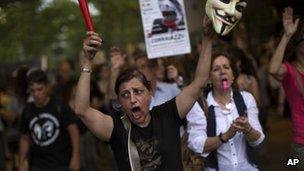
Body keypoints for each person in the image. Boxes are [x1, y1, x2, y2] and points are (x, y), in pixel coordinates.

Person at [75, 27, 212, 170]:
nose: (132, 99)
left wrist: (207, 38)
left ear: (149, 95)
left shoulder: (167, 114)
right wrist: (88, 61)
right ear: (120, 102)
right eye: (125, 95)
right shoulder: (117, 129)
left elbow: (200, 82)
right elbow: (81, 110)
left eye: (138, 92)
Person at [187, 16, 265, 171]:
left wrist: (247, 128)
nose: (222, 71)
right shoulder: (200, 105)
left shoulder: (246, 99)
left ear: (233, 75)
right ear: (209, 79)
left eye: (226, 67)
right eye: (216, 69)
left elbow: (258, 140)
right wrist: (225, 136)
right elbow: (196, 144)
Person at [18, 69, 80, 171]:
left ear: (46, 87)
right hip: (37, 164)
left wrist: (76, 156)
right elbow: (25, 138)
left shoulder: (59, 105)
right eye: (32, 90)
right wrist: (21, 163)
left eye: (39, 89)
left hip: (61, 163)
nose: (36, 94)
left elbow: (73, 131)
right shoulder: (27, 110)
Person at [268, 7, 303, 170]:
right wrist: (286, 35)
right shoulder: (289, 69)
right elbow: (273, 69)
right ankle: (288, 164)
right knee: (294, 164)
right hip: (301, 141)